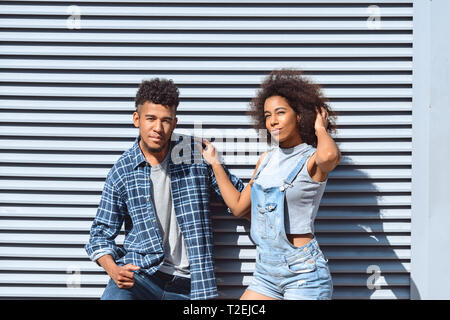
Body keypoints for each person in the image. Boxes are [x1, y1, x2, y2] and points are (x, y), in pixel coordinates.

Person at [85, 78, 244, 300]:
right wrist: (113, 269)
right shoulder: (123, 170)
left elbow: (239, 200)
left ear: (175, 122)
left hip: (191, 286)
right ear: (136, 119)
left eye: (166, 120)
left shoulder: (195, 154)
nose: (158, 128)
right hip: (140, 278)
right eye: (151, 119)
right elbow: (99, 235)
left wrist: (218, 164)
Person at [199, 69, 341, 300]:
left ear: (299, 116)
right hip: (265, 271)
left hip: (303, 271)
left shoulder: (311, 158)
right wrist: (215, 163)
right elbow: (237, 206)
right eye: (267, 115)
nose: (272, 121)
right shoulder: (266, 160)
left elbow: (329, 157)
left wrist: (320, 128)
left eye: (280, 113)